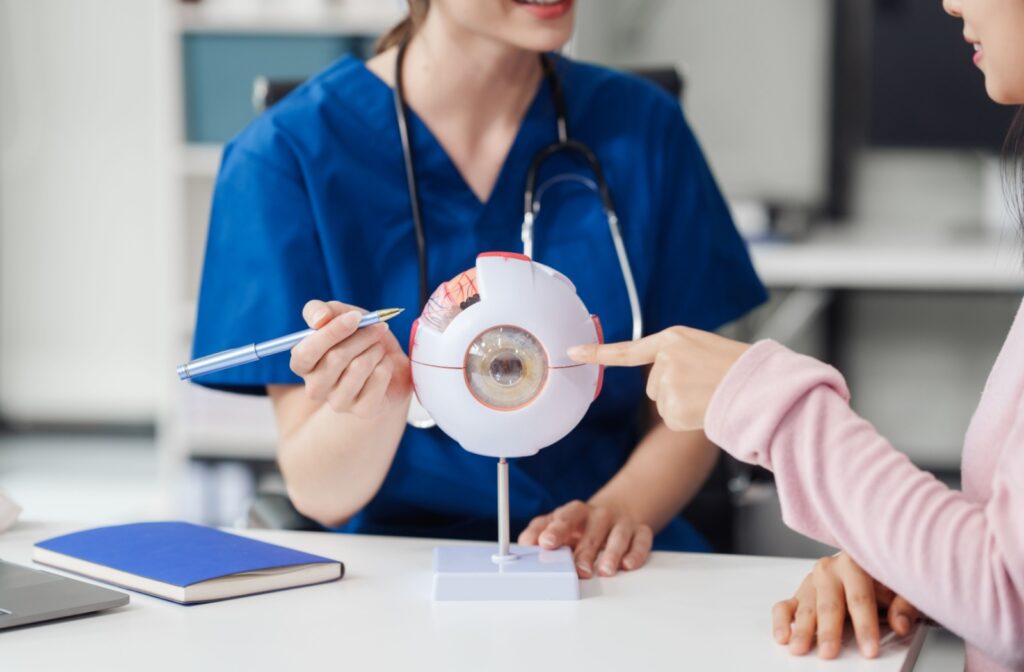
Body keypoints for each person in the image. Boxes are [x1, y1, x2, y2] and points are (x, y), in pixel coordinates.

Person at [190, 0, 766, 577]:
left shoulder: (644, 127)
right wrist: (378, 402)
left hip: (613, 556)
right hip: (397, 568)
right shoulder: (283, 154)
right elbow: (320, 492)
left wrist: (619, 510)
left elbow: (692, 400)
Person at [568, 0, 1024, 667]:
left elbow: (1009, 591)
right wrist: (912, 555)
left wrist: (766, 401)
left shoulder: (641, 125)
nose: (950, 1)